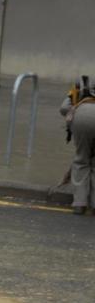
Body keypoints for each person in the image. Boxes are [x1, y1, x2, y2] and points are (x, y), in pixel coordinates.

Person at [61, 77, 95, 215]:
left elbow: (64, 108)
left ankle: (79, 204)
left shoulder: (79, 84)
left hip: (82, 116)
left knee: (81, 160)